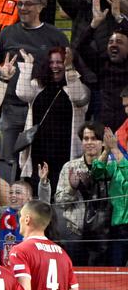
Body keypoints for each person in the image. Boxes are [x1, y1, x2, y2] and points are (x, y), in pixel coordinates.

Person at [0, 0, 69, 163]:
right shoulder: (8, 33)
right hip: (11, 108)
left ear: (41, 7)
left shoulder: (55, 36)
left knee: (40, 159)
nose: (22, 8)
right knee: (7, 160)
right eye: (19, 4)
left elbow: (68, 65)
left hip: (42, 108)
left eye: (28, 4)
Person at [16, 47, 90, 193]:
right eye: (51, 62)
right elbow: (22, 94)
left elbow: (79, 98)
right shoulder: (38, 86)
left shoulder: (79, 87)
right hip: (39, 152)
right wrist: (27, 66)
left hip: (65, 153)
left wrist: (69, 69)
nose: (55, 66)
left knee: (62, 196)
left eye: (60, 62)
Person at [55, 120, 110, 266]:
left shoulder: (112, 166)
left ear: (103, 143)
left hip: (104, 234)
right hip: (75, 233)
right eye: (86, 139)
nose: (89, 142)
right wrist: (72, 188)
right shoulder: (70, 167)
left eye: (94, 138)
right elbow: (60, 202)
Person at [76, 0, 128, 131]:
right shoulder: (102, 65)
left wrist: (118, 17)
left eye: (119, 42)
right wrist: (94, 24)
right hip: (106, 128)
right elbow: (81, 46)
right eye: (110, 42)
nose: (114, 45)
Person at [91, 126, 128, 266]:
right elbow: (97, 173)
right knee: (115, 269)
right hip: (117, 227)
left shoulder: (120, 158)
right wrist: (106, 150)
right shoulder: (116, 163)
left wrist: (115, 149)